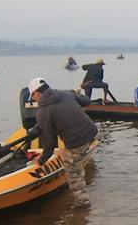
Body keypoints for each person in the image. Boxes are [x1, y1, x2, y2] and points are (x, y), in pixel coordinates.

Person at [28, 77, 99, 208]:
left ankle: (82, 206)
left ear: (36, 93)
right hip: (91, 132)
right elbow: (87, 101)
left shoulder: (42, 112)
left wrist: (40, 161)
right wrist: (74, 97)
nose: (34, 101)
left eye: (33, 98)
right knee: (71, 153)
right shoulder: (66, 93)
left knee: (73, 172)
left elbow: (49, 143)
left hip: (77, 141)